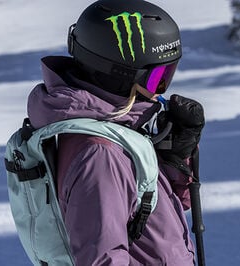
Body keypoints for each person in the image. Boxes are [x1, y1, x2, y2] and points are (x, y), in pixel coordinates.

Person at [27, 0, 205, 265]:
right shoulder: (100, 153)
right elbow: (102, 258)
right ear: (120, 75)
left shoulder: (116, 132)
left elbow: (153, 219)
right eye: (158, 77)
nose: (160, 91)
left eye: (169, 73)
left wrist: (175, 158)